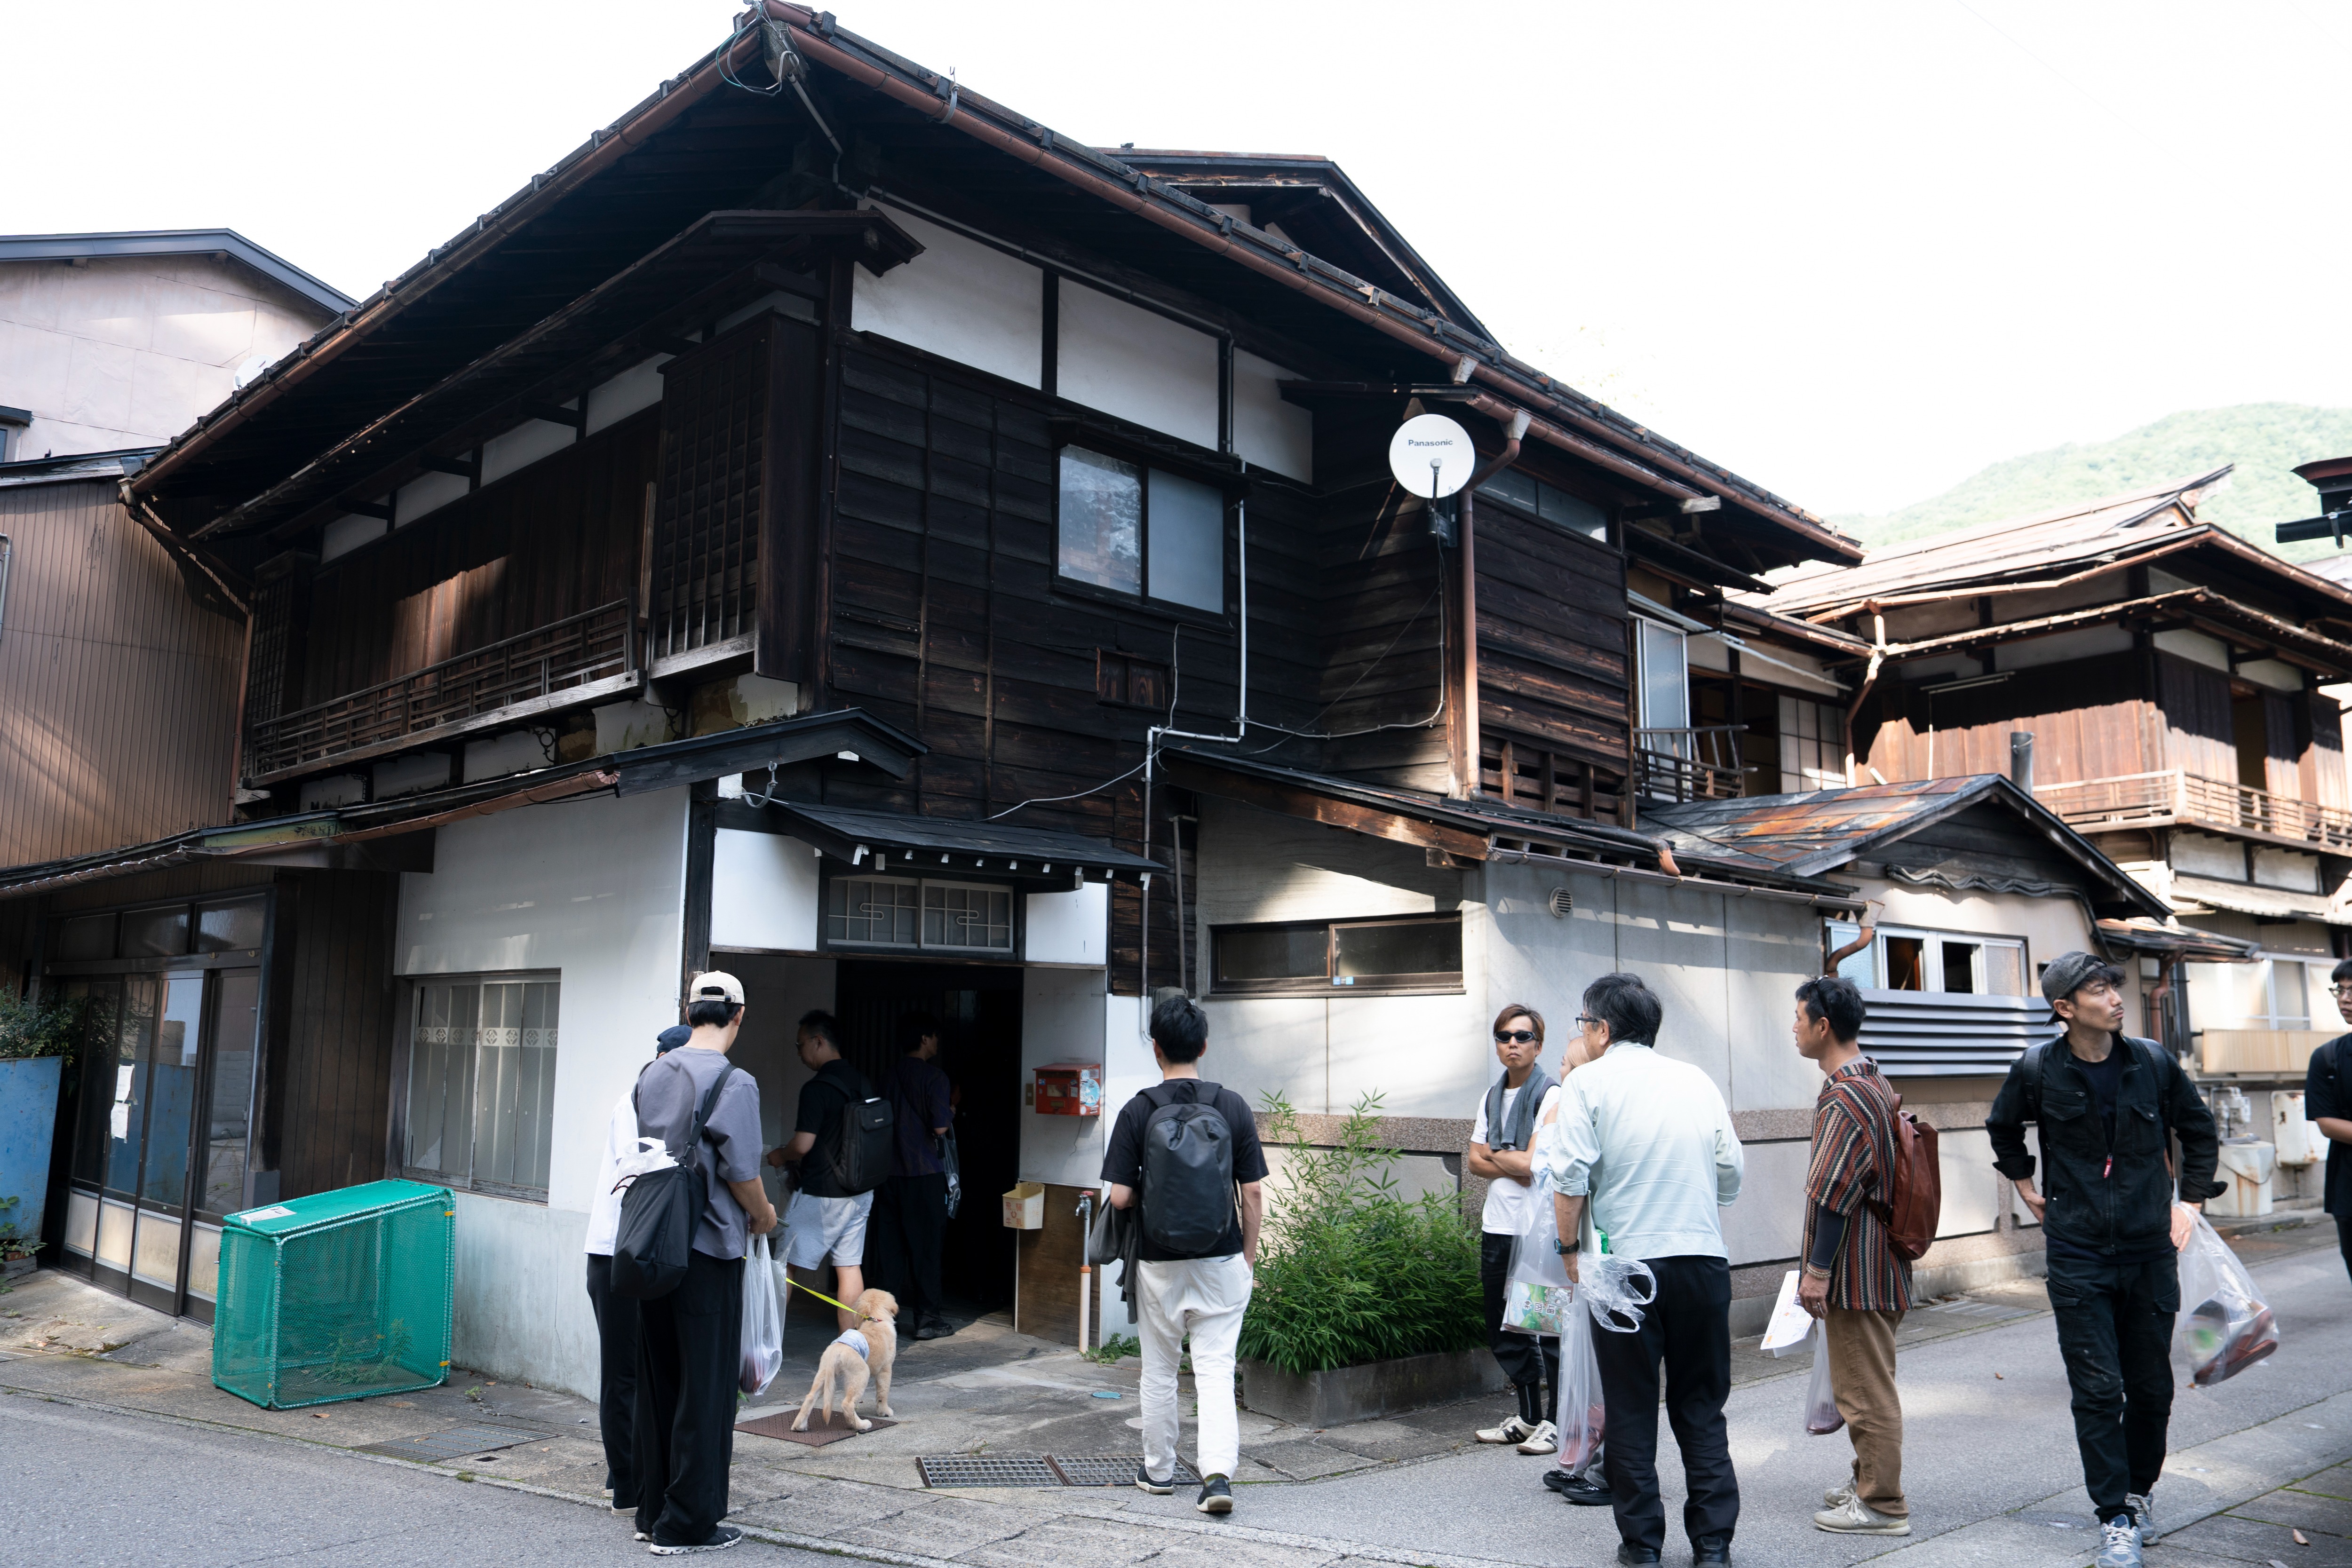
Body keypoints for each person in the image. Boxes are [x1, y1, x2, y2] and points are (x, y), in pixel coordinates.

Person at [1987, 951, 2222, 1568]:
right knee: (2096, 1390)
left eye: (2114, 987)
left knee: (2150, 1389)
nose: (2116, 998)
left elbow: (2199, 1129)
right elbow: (2003, 1128)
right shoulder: (2037, 1069)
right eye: (2099, 990)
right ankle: (2114, 1517)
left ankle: (2138, 1492)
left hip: (2149, 1252)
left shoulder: (2152, 1062)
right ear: (2065, 1007)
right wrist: (2026, 1186)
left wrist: (2189, 1203)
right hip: (2077, 1253)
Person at [1545, 972, 1743, 1568]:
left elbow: (1568, 1178)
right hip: (1701, 1258)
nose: (1583, 1033)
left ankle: (1642, 1547)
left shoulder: (1586, 1083)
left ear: (1602, 1029)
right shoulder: (1696, 1079)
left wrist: (1568, 1251)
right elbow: (1729, 1171)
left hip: (1622, 1268)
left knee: (1631, 1407)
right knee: (1700, 1406)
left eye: (1584, 1023)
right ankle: (1712, 1546)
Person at [1104, 993, 1267, 1517]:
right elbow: (1253, 1192)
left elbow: (1120, 1198)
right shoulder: (1232, 1106)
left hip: (1157, 1262)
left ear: (1155, 1048)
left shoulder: (1138, 1110)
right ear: (1203, 1046)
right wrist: (1246, 1259)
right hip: (1222, 1260)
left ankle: (1158, 1472)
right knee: (1215, 1370)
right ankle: (1216, 1476)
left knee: (1159, 1370)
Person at [632, 972, 776, 1556]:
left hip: (650, 1244)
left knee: (660, 1381)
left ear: (688, 1012)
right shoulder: (735, 1081)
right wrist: (765, 1215)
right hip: (708, 1249)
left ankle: (652, 1511)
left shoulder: (652, 1073)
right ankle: (687, 1524)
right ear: (738, 1014)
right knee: (707, 1388)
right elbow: (742, 1173)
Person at [1789, 976, 1912, 1536]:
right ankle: (1867, 1480)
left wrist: (1816, 1272)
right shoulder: (1873, 1080)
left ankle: (1881, 1504)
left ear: (1822, 1026)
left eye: (1798, 1018)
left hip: (1857, 1270)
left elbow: (1833, 1193)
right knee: (1867, 1381)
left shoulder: (1845, 1097)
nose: (1793, 1028)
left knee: (1864, 1391)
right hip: (1879, 1261)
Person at [585, 1023, 692, 1520]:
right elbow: (643, 1172)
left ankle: (626, 1472)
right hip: (619, 1252)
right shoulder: (637, 1103)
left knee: (639, 1370)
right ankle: (626, 1486)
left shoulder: (655, 1100)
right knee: (623, 1373)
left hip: (638, 1251)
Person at [1467, 1004, 1564, 1455]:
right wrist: (1509, 1158)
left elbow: (1531, 1167)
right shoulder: (1491, 1096)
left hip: (1538, 1230)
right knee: (1503, 1325)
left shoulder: (1551, 1095)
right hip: (1499, 1225)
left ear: (1538, 1046)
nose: (1513, 1044)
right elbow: (1474, 1162)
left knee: (1545, 1324)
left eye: (1523, 1037)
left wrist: (1496, 1153)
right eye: (1505, 1036)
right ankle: (1528, 1417)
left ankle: (1557, 1421)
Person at [765, 1009, 874, 1331]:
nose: (799, 1053)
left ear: (818, 1041)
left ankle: (765, 1344)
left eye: (800, 1045)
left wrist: (780, 1156)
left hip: (821, 1193)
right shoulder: (862, 1082)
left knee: (785, 1265)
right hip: (859, 1190)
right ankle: (851, 1344)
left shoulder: (817, 1088)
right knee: (849, 1267)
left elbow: (802, 1145)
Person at [871, 1010, 956, 1340]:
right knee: (926, 1251)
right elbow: (940, 1127)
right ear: (924, 1039)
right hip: (924, 1174)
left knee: (890, 1252)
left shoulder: (887, 1076)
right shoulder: (936, 1078)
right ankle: (927, 1320)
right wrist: (952, 1108)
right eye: (935, 1037)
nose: (937, 1043)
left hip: (888, 1175)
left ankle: (882, 1321)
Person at [2300, 958, 2352, 1285]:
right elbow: (2326, 1122)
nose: (2345, 999)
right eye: (2340, 990)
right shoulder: (2328, 1057)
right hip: (2348, 1185)